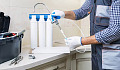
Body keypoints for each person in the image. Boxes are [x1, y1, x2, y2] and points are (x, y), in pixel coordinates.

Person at [51, 0, 120, 70]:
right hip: (96, 54)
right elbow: (82, 11)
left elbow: (116, 30)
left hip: (112, 57)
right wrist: (63, 14)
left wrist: (81, 41)